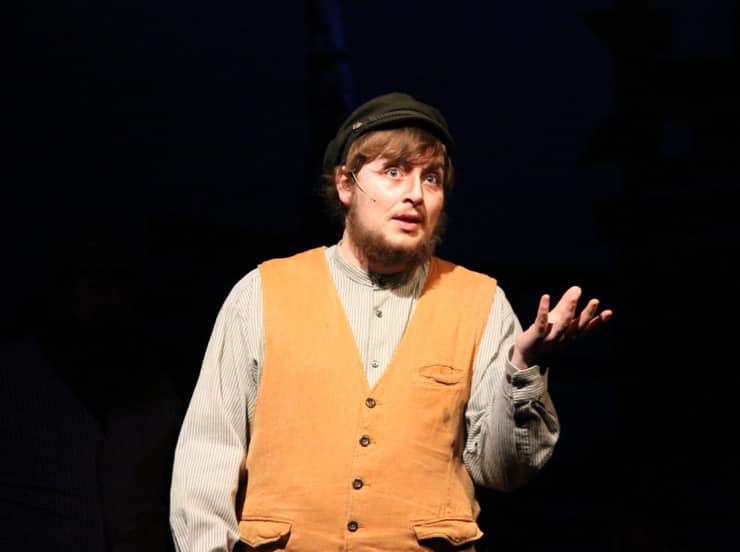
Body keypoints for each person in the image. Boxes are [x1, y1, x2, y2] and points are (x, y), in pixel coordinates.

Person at [169, 91, 613, 551]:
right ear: (346, 185)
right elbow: (208, 454)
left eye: (431, 178)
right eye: (394, 172)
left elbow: (504, 472)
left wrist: (523, 365)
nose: (414, 194)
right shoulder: (262, 293)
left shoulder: (481, 302)